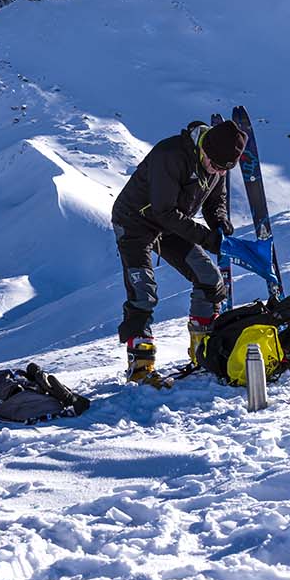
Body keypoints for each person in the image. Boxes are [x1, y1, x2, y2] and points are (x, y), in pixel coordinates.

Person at [110, 119, 248, 383]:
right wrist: (209, 240)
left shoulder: (217, 162)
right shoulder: (170, 155)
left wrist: (219, 222)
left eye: (223, 169)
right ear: (203, 148)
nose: (216, 171)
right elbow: (164, 211)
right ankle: (141, 368)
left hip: (171, 224)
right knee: (143, 294)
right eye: (214, 165)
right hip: (135, 222)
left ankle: (203, 353)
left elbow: (214, 200)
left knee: (210, 280)